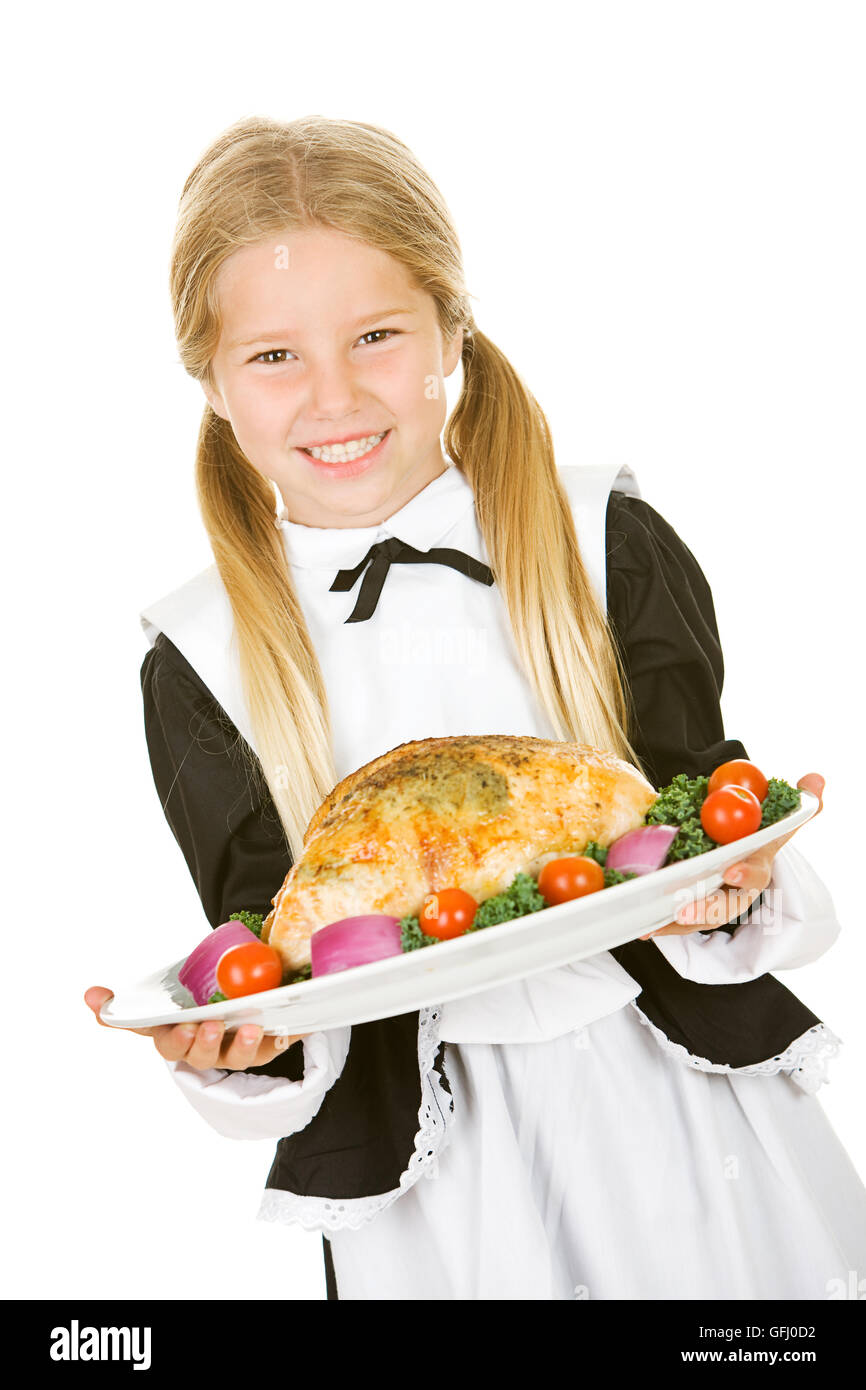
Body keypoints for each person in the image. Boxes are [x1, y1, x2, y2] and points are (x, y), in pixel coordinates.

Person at [85, 114, 866, 1300]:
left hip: (687, 1110)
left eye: (377, 335)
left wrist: (731, 881)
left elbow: (701, 810)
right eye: (274, 356)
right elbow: (280, 951)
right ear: (210, 378)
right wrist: (237, 1049)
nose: (333, 395)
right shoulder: (195, 656)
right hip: (438, 1191)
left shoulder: (602, 538)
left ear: (451, 327)